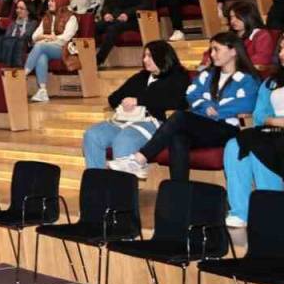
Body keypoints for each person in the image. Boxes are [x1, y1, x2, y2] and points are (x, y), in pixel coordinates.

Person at [109, 32, 260, 180]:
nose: (212, 54)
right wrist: (206, 105)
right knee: (177, 138)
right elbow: (191, 94)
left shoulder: (248, 79)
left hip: (228, 129)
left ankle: (139, 159)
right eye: (211, 50)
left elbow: (244, 104)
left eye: (216, 49)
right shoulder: (208, 75)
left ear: (233, 51)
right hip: (203, 126)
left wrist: (216, 110)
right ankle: (179, 195)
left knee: (181, 116)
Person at [81, 41, 190, 169]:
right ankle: (97, 184)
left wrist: (139, 100)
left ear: (162, 56)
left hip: (155, 123)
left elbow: (179, 102)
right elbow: (114, 98)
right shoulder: (141, 77)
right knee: (92, 135)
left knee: (124, 139)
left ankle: (122, 187)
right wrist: (125, 101)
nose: (145, 60)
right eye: (144, 56)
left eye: (150, 56)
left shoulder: (178, 77)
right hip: (126, 120)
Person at [223, 39, 284, 227]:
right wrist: (274, 120)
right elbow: (259, 115)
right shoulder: (272, 82)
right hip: (273, 130)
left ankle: (271, 210)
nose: (281, 54)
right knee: (235, 145)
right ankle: (240, 212)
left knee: (261, 147)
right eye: (281, 48)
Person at [25, 0, 80, 103]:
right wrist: (47, 37)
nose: (49, 3)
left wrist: (49, 39)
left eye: (52, 1)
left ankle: (23, 74)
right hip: (48, 47)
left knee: (40, 46)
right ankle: (43, 91)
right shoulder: (47, 17)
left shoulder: (71, 17)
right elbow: (34, 36)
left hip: (66, 49)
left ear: (61, 2)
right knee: (42, 56)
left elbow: (66, 37)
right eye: (49, 0)